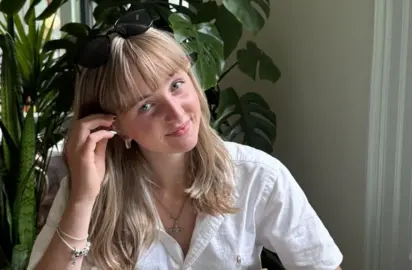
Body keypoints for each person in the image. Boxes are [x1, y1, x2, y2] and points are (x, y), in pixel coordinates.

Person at [28, 9, 343, 270]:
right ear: (115, 126)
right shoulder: (90, 191)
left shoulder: (257, 175)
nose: (177, 112)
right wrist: (83, 200)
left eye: (176, 85)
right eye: (146, 106)